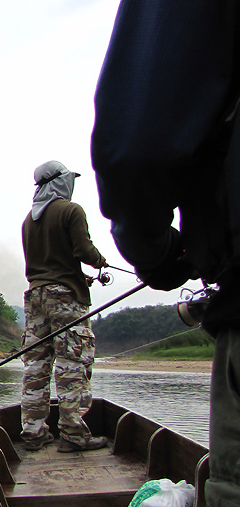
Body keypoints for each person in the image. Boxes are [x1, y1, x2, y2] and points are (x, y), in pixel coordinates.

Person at [91, 2, 240, 502]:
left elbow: (136, 143)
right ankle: (70, 425)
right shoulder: (65, 215)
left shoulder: (35, 219)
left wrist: (157, 255)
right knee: (70, 367)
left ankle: (51, 425)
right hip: (65, 299)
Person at [20, 160, 109, 453]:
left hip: (35, 299)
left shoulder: (28, 221)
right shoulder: (71, 210)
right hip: (66, 300)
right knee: (72, 365)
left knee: (36, 366)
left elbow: (45, 265)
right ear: (60, 182)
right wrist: (100, 261)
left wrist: (73, 274)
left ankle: (33, 433)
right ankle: (72, 435)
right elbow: (82, 250)